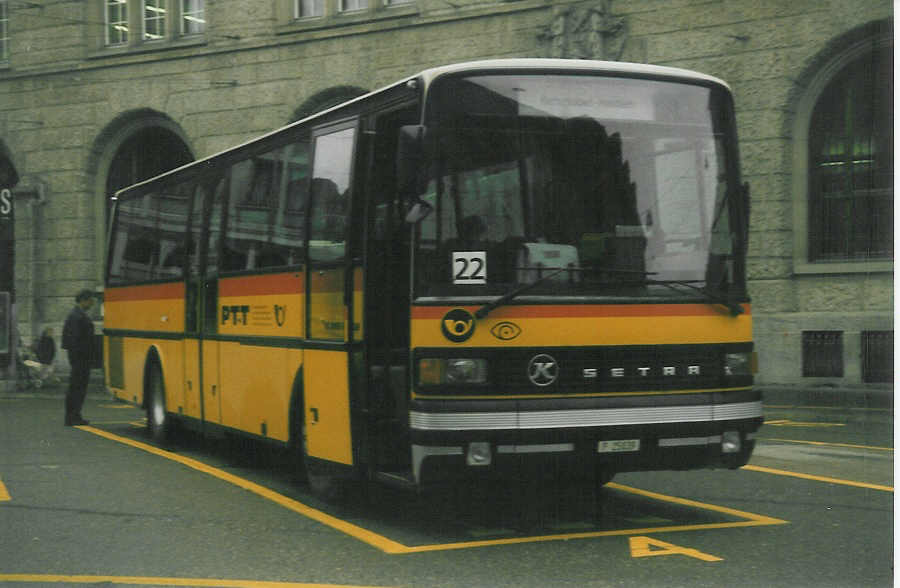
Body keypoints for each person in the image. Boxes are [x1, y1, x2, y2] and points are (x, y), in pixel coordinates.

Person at [61, 290, 95, 426]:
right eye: (90, 300)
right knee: (77, 387)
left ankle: (75, 415)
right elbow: (74, 339)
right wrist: (78, 357)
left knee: (78, 387)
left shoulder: (76, 315)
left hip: (80, 357)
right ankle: (72, 416)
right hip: (80, 358)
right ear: (83, 300)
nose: (92, 303)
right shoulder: (77, 316)